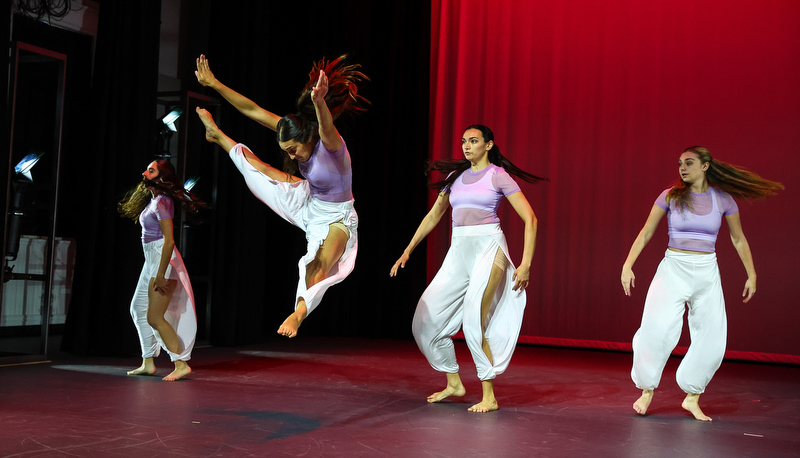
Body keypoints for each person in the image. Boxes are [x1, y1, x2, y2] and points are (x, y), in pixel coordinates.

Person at [195, 54, 369, 338]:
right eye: (287, 150)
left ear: (308, 139)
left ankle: (298, 314)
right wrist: (214, 83)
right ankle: (217, 135)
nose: (291, 155)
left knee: (318, 263)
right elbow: (251, 109)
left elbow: (325, 125)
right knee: (259, 171)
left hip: (337, 218)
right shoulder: (294, 130)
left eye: (293, 150)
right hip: (307, 200)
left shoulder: (333, 148)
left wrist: (319, 101)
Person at [390, 125, 546, 412]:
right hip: (459, 251)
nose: (466, 146)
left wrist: (525, 264)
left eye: (473, 141)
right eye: (463, 141)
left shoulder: (498, 175)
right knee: (425, 320)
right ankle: (454, 383)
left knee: (474, 317)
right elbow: (434, 215)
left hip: (489, 248)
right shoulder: (455, 177)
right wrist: (407, 250)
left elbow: (531, 220)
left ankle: (489, 395)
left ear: (488, 145)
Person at [621, 146, 783, 421]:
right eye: (680, 164)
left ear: (705, 166)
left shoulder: (723, 200)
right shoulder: (670, 196)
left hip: (707, 271)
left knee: (712, 337)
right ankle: (647, 391)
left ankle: (692, 398)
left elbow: (738, 238)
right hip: (673, 268)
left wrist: (751, 273)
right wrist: (627, 265)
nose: (682, 168)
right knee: (655, 330)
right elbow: (646, 231)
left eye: (689, 163)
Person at [118, 160, 207, 381]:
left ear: (161, 176)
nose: (144, 172)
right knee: (138, 309)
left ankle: (180, 362)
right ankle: (148, 362)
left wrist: (160, 274)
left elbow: (168, 242)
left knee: (155, 317)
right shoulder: (154, 201)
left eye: (151, 170)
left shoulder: (163, 202)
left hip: (162, 260)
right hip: (150, 260)